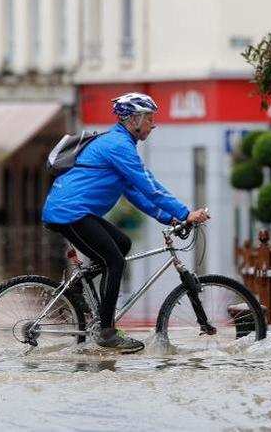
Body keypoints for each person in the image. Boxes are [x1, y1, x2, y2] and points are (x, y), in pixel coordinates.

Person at [42, 92, 210, 353]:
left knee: (122, 243)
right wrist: (186, 212)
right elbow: (150, 186)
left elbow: (136, 193)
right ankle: (107, 332)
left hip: (76, 211)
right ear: (134, 120)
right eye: (150, 119)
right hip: (69, 212)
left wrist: (171, 217)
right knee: (114, 261)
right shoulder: (118, 146)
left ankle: (77, 288)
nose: (153, 125)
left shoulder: (121, 144)